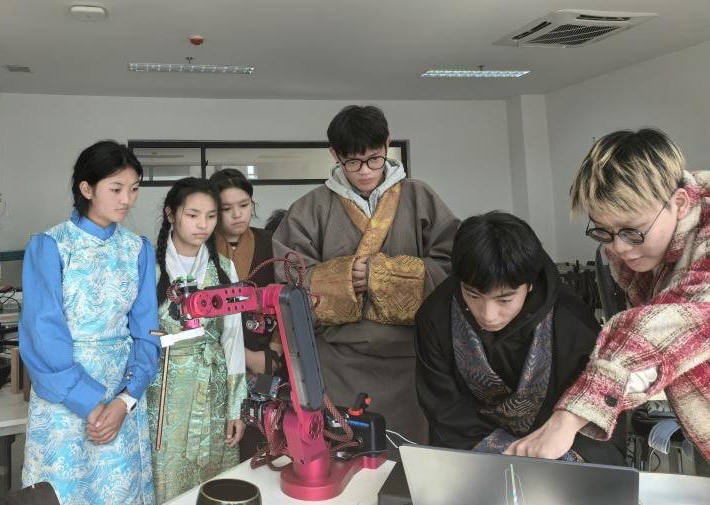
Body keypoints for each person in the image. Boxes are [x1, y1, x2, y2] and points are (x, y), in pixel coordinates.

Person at [505, 128, 710, 464]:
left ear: (679, 203)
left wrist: (568, 418)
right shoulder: (633, 250)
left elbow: (668, 325)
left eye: (632, 231)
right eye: (603, 231)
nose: (619, 247)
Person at [272, 105, 460, 440]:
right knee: (347, 450)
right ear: (335, 155)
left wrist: (384, 276)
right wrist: (343, 279)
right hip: (339, 362)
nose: (365, 171)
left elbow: (453, 265)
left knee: (408, 451)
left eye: (374, 158)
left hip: (412, 357)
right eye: (353, 162)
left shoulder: (420, 197)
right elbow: (288, 283)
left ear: (387, 144)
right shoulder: (309, 209)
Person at [415, 212, 626, 465]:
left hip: (560, 451)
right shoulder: (436, 315)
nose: (488, 315)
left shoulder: (570, 319)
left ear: (530, 284)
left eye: (504, 300)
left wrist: (546, 452)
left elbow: (596, 403)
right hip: (473, 448)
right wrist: (508, 456)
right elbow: (445, 408)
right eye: (473, 295)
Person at [19, 140, 160, 505]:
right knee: (65, 493)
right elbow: (43, 335)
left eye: (134, 189)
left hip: (122, 393)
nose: (127, 200)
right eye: (116, 189)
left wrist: (125, 401)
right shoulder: (50, 246)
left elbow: (147, 331)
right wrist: (91, 405)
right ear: (86, 188)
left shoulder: (138, 249)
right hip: (64, 396)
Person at [147, 177, 246, 504]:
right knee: (167, 478)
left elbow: (233, 339)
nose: (203, 224)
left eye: (211, 216)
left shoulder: (224, 268)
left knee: (215, 481)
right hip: (165, 390)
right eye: (192, 215)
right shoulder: (150, 268)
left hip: (214, 386)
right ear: (170, 214)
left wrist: (235, 407)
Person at [210, 168, 283, 460]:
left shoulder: (272, 242)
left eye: (244, 205)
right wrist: (239, 355)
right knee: (224, 441)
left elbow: (287, 300)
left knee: (263, 431)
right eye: (226, 208)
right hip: (220, 360)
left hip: (267, 359)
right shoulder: (203, 247)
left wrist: (271, 353)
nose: (237, 215)